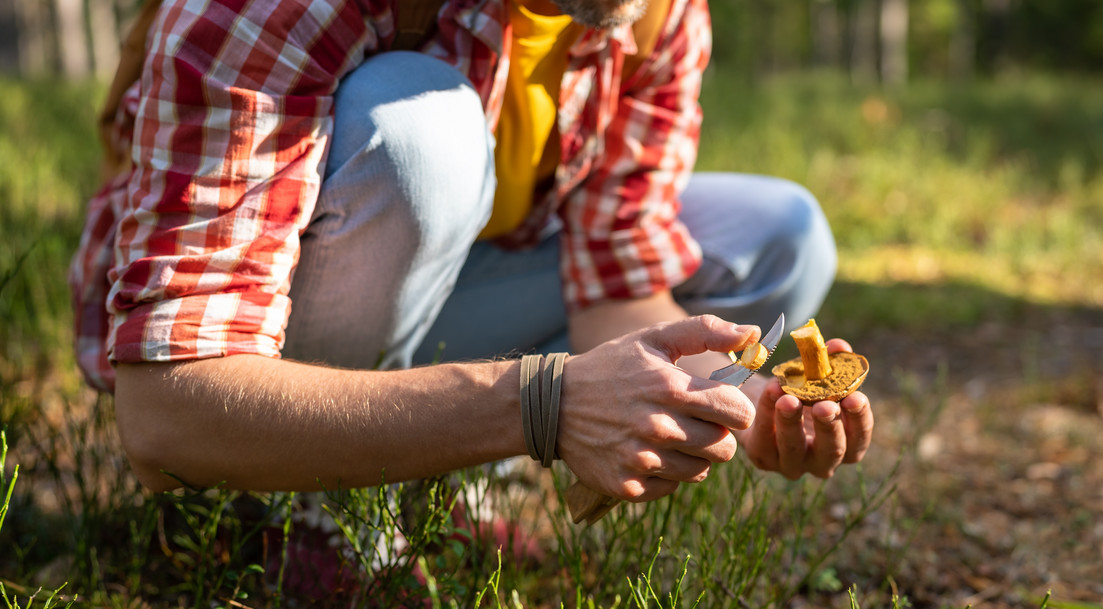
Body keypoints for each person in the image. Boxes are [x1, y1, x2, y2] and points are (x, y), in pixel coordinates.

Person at [69, 0, 874, 508]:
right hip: (255, 352)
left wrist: (739, 406)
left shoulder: (650, 13)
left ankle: (442, 475)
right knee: (423, 133)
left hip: (440, 286)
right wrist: (542, 406)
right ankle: (299, 515)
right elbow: (165, 418)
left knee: (778, 236)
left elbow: (616, 296)